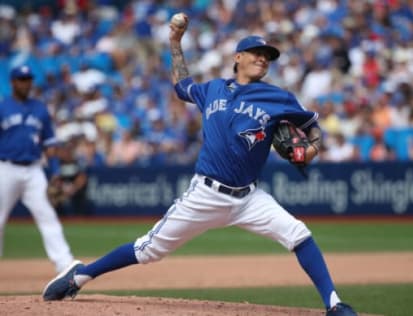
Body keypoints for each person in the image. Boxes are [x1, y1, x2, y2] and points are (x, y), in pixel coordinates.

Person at [42, 15, 358, 316]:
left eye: (267, 56)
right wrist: (175, 42)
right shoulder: (213, 89)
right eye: (257, 53)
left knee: (298, 234)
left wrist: (312, 148)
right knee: (148, 250)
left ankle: (334, 304)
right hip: (206, 193)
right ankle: (79, 277)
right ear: (238, 57)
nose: (263, 59)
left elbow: (313, 125)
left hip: (249, 198)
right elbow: (182, 85)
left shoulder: (278, 97)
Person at [0, 65, 75, 273]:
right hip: (6, 168)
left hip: (34, 170)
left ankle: (65, 265)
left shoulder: (40, 109)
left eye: (29, 79)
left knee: (47, 215)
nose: (26, 83)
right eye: (22, 79)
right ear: (13, 82)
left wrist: (56, 172)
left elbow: (50, 144)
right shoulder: (3, 107)